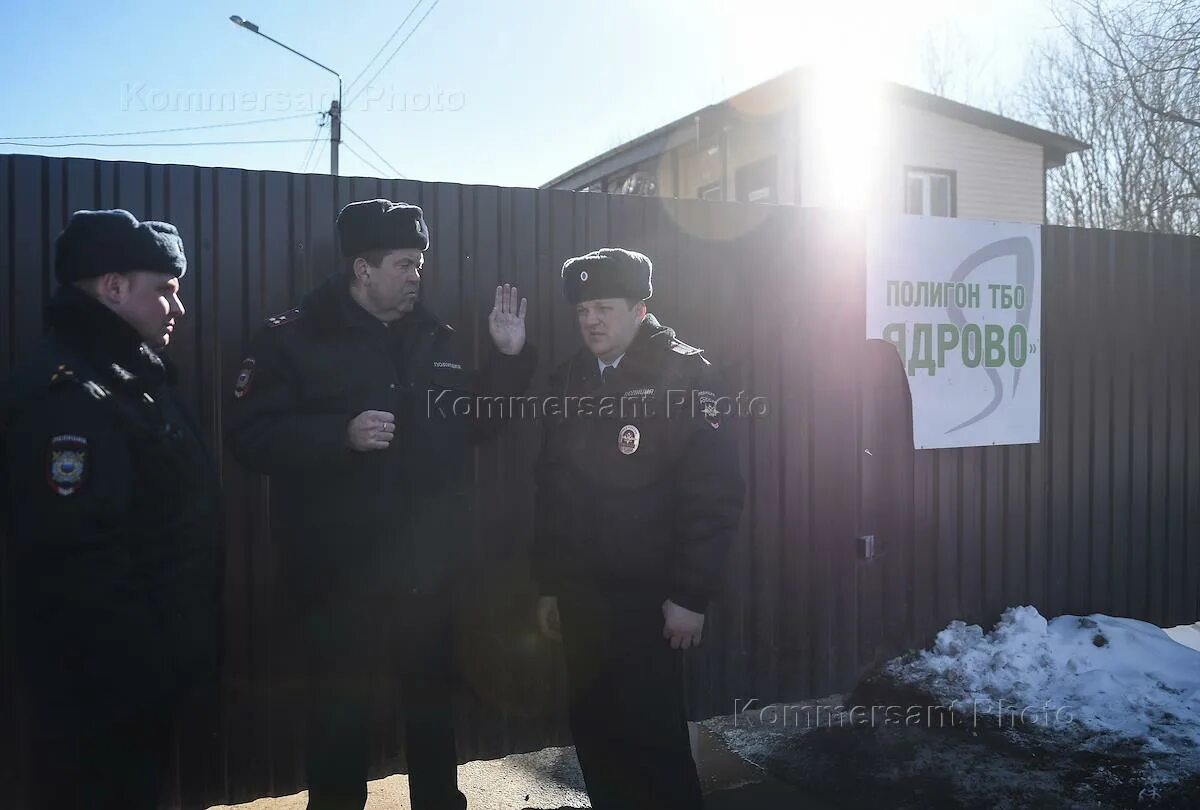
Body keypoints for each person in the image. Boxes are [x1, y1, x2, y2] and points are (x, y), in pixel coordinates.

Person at [224, 198, 536, 810]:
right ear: (361, 269)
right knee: (338, 721)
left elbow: (475, 422)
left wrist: (507, 359)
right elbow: (247, 436)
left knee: (432, 715)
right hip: (338, 579)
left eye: (420, 261)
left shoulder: (434, 337)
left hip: (427, 577)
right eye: (403, 263)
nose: (417, 273)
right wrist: (339, 435)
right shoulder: (293, 338)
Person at [0, 209, 222, 810]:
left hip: (143, 681)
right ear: (113, 287)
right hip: (103, 690)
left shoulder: (130, 379)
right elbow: (74, 557)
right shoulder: (70, 394)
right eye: (165, 292)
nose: (178, 309)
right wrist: (147, 672)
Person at [532, 248, 745, 810]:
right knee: (595, 732)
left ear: (640, 309)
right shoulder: (572, 378)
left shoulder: (686, 375)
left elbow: (714, 496)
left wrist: (690, 595)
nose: (591, 320)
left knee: (652, 740)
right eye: (582, 310)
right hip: (581, 597)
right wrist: (551, 585)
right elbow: (554, 493)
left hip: (648, 602)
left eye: (603, 307)